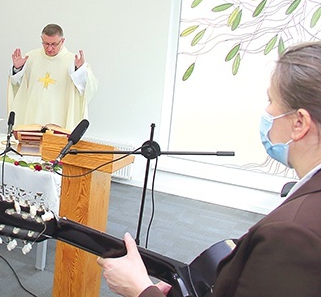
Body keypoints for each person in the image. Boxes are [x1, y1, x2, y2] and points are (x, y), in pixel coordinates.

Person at [97, 41, 321, 297]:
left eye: (271, 100)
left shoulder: (293, 235)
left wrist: (141, 290)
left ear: (300, 122)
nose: (267, 112)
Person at [8, 23, 98, 130]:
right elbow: (18, 86)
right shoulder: (31, 57)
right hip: (32, 115)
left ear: (62, 41)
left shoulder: (73, 61)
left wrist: (80, 71)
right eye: (46, 43)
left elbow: (89, 88)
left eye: (54, 44)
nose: (49, 48)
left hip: (58, 117)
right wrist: (17, 69)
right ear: (41, 39)